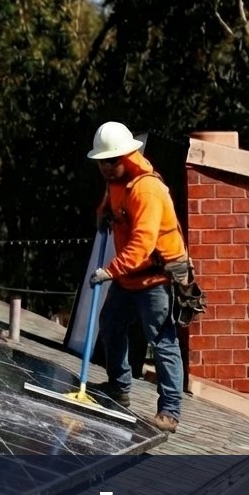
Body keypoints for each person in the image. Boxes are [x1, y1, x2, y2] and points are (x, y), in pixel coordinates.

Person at [86, 121, 187, 433]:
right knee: (112, 324)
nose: (103, 167)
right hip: (130, 277)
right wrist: (102, 212)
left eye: (109, 161)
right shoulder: (116, 179)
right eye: (101, 161)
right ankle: (119, 387)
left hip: (154, 278)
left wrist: (109, 271)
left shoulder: (147, 190)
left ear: (124, 157)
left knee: (162, 340)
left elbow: (142, 245)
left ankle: (169, 411)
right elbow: (111, 201)